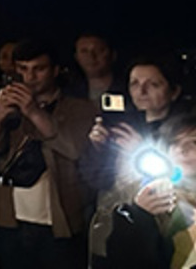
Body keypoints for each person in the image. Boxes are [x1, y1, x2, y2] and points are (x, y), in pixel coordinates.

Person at [0, 39, 95, 269]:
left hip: (60, 221)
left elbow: (74, 148)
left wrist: (32, 110)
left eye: (39, 69)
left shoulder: (79, 107)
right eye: (23, 69)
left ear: (55, 70)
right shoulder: (0, 104)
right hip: (12, 221)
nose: (30, 77)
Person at [85, 56, 185, 266]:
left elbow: (184, 180)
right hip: (116, 226)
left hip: (165, 229)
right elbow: (94, 180)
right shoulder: (120, 127)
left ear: (174, 90)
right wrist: (98, 149)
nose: (142, 91)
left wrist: (141, 150)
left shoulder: (185, 134)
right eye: (135, 84)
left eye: (153, 84)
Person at [96, 112, 196, 269]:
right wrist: (140, 216)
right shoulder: (145, 191)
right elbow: (117, 256)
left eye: (194, 143)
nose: (181, 149)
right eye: (174, 142)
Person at [67, 34, 127, 105]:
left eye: (99, 50)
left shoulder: (130, 90)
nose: (91, 56)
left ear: (113, 55)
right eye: (84, 51)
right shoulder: (70, 94)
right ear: (76, 57)